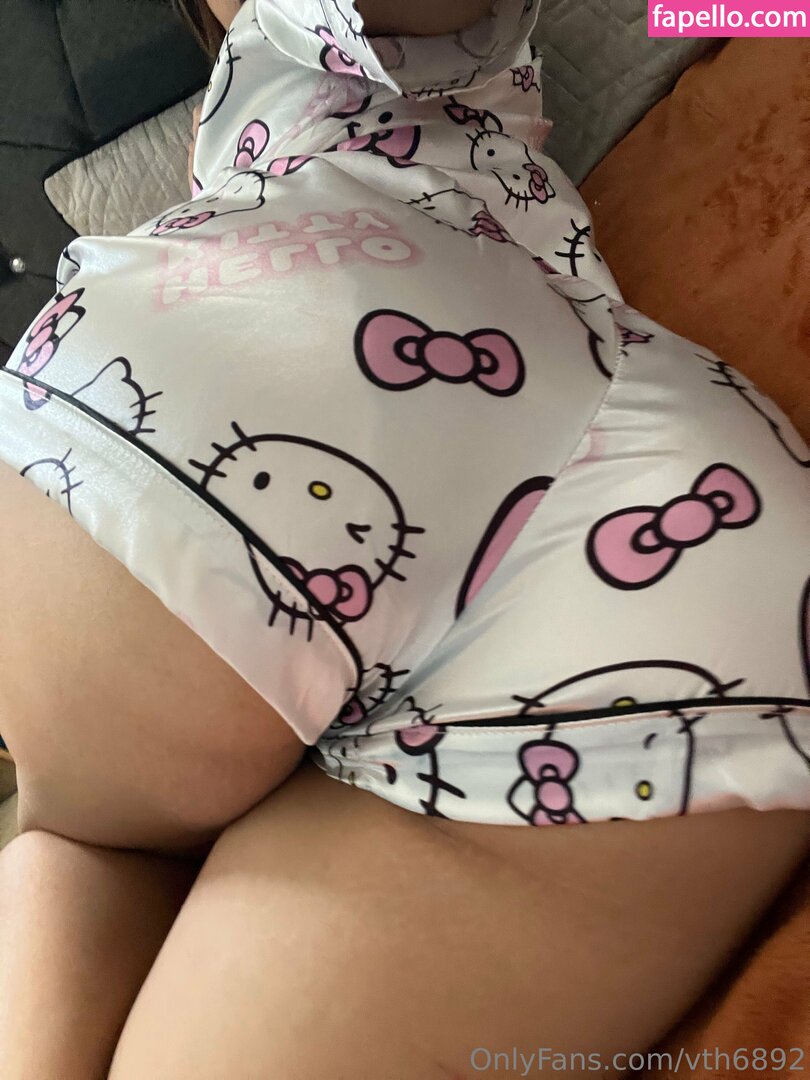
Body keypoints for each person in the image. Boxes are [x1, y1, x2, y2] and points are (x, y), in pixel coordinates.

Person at [0, 1, 808, 1076]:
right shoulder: (298, 51)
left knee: (86, 842)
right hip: (642, 500)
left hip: (224, 382)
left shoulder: (324, 102)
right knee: (88, 844)